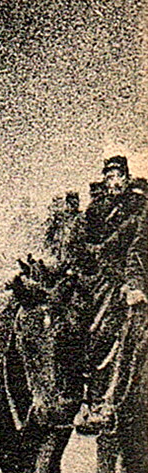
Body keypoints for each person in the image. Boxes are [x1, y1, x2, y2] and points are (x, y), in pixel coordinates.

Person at [74, 155, 148, 434]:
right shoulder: (97, 209)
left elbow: (135, 249)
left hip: (123, 279)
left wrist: (132, 282)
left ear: (127, 179)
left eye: (118, 176)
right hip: (103, 278)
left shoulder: (138, 205)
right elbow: (83, 242)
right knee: (95, 328)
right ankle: (91, 399)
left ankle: (108, 402)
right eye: (110, 177)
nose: (114, 182)